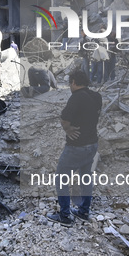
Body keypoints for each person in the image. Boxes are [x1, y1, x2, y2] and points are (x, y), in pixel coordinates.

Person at [47, 70, 102, 226]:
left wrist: (68, 130)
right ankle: (84, 211)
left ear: (73, 82)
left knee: (61, 178)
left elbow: (64, 120)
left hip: (76, 146)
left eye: (70, 83)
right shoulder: (96, 96)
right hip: (92, 144)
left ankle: (65, 216)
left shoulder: (76, 98)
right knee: (86, 178)